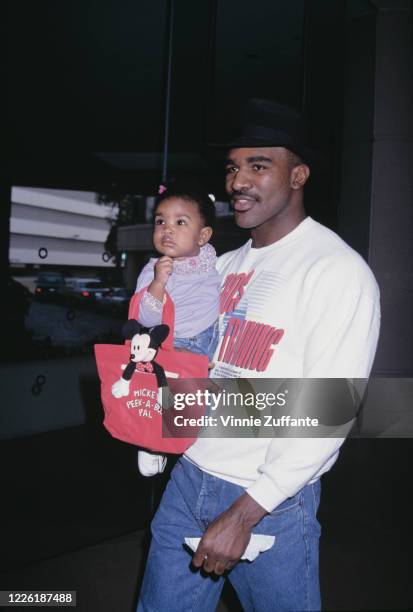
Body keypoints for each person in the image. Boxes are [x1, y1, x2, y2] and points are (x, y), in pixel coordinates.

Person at [136, 99, 381, 611]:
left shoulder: (335, 269)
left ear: (299, 174)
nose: (238, 181)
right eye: (232, 167)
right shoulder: (219, 266)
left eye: (259, 165)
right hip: (188, 480)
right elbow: (187, 363)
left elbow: (331, 410)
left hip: (267, 501)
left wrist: (247, 512)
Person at [135, 181, 220, 477]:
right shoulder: (154, 268)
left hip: (207, 343)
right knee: (168, 401)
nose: (167, 229)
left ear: (203, 236)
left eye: (180, 222)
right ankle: (151, 444)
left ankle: (166, 442)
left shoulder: (211, 263)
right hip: (175, 342)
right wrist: (158, 282)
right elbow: (145, 317)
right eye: (160, 221)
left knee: (197, 412)